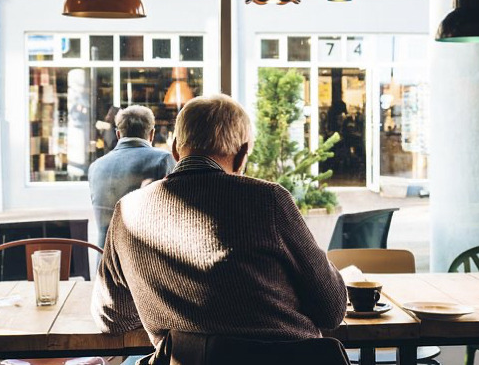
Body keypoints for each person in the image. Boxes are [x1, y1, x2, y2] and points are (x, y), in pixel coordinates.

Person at [91, 94, 346, 349]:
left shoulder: (127, 211)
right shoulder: (269, 200)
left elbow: (111, 318)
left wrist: (164, 302)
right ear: (242, 154)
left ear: (176, 148)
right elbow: (331, 310)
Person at [88, 105, 176, 248]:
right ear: (152, 134)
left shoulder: (95, 167)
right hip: (143, 261)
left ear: (118, 134)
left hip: (104, 260)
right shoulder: (162, 160)